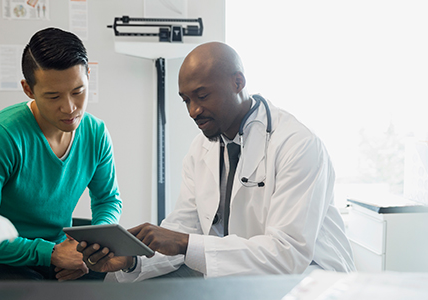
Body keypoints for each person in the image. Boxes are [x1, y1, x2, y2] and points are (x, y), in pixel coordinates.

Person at [77, 42, 355, 281]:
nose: (193, 111)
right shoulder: (201, 149)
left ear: (238, 83)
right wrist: (132, 259)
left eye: (202, 95)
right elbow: (185, 228)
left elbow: (287, 255)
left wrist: (184, 243)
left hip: (309, 279)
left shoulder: (297, 145)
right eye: (185, 100)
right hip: (242, 277)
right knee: (139, 284)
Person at [0, 27, 123, 281]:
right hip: (5, 259)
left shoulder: (96, 133)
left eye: (78, 91)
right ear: (28, 89)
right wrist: (50, 253)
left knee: (123, 283)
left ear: (89, 76)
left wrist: (91, 248)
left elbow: (108, 200)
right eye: (53, 96)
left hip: (63, 253)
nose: (69, 108)